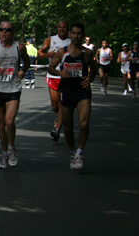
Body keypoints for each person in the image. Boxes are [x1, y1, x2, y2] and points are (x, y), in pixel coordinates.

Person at [0, 21, 30, 169]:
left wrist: (23, 71)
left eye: (8, 30)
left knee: (9, 122)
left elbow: (27, 62)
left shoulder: (19, 47)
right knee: (2, 125)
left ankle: (11, 148)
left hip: (13, 89)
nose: (4, 32)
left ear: (13, 32)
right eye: (2, 29)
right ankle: (4, 153)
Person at [48, 23, 96, 170]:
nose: (76, 36)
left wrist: (90, 78)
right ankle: (72, 151)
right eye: (74, 33)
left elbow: (94, 68)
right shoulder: (62, 52)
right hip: (67, 92)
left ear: (83, 35)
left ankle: (80, 152)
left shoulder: (87, 53)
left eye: (79, 33)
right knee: (68, 127)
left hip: (82, 92)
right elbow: (51, 67)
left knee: (84, 124)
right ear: (70, 34)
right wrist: (59, 73)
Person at [38, 20, 71, 142]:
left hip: (65, 76)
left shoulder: (71, 41)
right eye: (60, 27)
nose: (62, 30)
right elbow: (39, 53)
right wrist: (49, 55)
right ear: (57, 29)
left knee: (62, 103)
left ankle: (57, 129)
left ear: (67, 29)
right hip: (53, 75)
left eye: (64, 28)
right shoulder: (50, 40)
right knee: (55, 105)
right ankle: (58, 118)